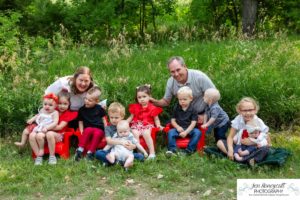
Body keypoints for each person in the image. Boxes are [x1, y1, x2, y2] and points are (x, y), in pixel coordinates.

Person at [150, 56, 215, 123]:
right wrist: (152, 100)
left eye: (178, 70)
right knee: (169, 130)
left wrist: (206, 115)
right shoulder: (170, 82)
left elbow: (214, 97)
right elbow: (166, 102)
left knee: (199, 133)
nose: (176, 74)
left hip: (202, 114)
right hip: (183, 115)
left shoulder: (199, 77)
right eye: (172, 72)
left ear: (184, 66)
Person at [216, 97, 271, 166]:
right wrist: (230, 150)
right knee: (219, 142)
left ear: (255, 110)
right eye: (244, 110)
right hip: (239, 147)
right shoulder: (238, 120)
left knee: (265, 149)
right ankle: (249, 160)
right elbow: (230, 137)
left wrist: (253, 143)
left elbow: (266, 136)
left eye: (250, 110)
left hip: (253, 148)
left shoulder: (258, 121)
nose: (248, 113)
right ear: (239, 111)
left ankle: (240, 160)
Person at [127, 84, 163, 160]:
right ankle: (140, 153)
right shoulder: (135, 107)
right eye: (139, 97)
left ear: (149, 97)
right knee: (134, 133)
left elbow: (156, 119)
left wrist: (158, 125)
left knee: (146, 133)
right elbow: (131, 117)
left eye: (144, 96)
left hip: (147, 125)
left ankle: (152, 153)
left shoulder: (152, 108)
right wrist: (125, 123)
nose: (142, 99)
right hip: (137, 125)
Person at [165, 86, 202, 157]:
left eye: (184, 99)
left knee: (197, 132)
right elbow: (173, 120)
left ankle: (189, 150)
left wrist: (186, 132)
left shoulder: (193, 109)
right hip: (179, 129)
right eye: (180, 99)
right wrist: (177, 127)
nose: (182, 101)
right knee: (170, 132)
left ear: (191, 99)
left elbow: (193, 123)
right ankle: (172, 150)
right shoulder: (177, 107)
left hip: (190, 129)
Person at [45, 91, 78, 165]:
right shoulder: (52, 111)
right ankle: (38, 155)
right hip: (46, 132)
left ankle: (52, 156)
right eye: (60, 103)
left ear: (69, 104)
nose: (62, 106)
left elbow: (59, 127)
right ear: (56, 103)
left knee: (49, 134)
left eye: (65, 104)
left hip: (59, 135)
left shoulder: (67, 114)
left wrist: (46, 127)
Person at [74, 86, 106, 161]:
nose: (86, 101)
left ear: (96, 101)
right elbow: (80, 121)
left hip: (99, 129)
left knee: (97, 133)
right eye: (86, 98)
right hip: (88, 128)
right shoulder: (82, 110)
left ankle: (90, 152)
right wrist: (81, 131)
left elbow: (104, 119)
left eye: (90, 100)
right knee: (88, 129)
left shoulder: (99, 108)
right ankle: (80, 150)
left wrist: (106, 130)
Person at [28, 93, 60, 165]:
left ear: (55, 106)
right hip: (39, 128)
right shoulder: (42, 110)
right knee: (31, 135)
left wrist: (47, 128)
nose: (47, 106)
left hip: (48, 130)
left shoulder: (55, 113)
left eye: (50, 105)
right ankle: (38, 156)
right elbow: (37, 115)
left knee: (39, 135)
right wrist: (31, 119)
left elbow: (55, 123)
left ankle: (50, 155)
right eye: (45, 104)